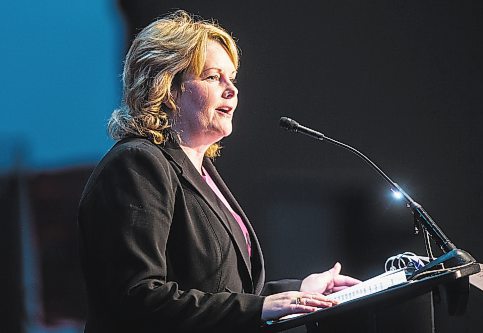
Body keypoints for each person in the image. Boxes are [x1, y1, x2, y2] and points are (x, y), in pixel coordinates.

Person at [77, 10, 360, 333]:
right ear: (168, 88)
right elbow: (138, 297)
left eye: (233, 78)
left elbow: (222, 292)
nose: (231, 90)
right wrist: (260, 308)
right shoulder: (137, 164)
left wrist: (298, 293)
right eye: (213, 77)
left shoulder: (202, 172)